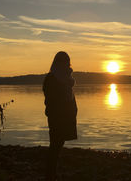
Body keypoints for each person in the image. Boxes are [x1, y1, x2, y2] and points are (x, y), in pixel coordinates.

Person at [43, 51, 78, 181]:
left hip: (65, 118)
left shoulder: (66, 80)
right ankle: (50, 175)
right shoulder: (52, 78)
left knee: (58, 145)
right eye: (65, 62)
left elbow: (69, 99)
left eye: (68, 62)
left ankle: (52, 173)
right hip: (56, 118)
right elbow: (51, 100)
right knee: (55, 146)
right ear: (59, 63)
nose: (68, 65)